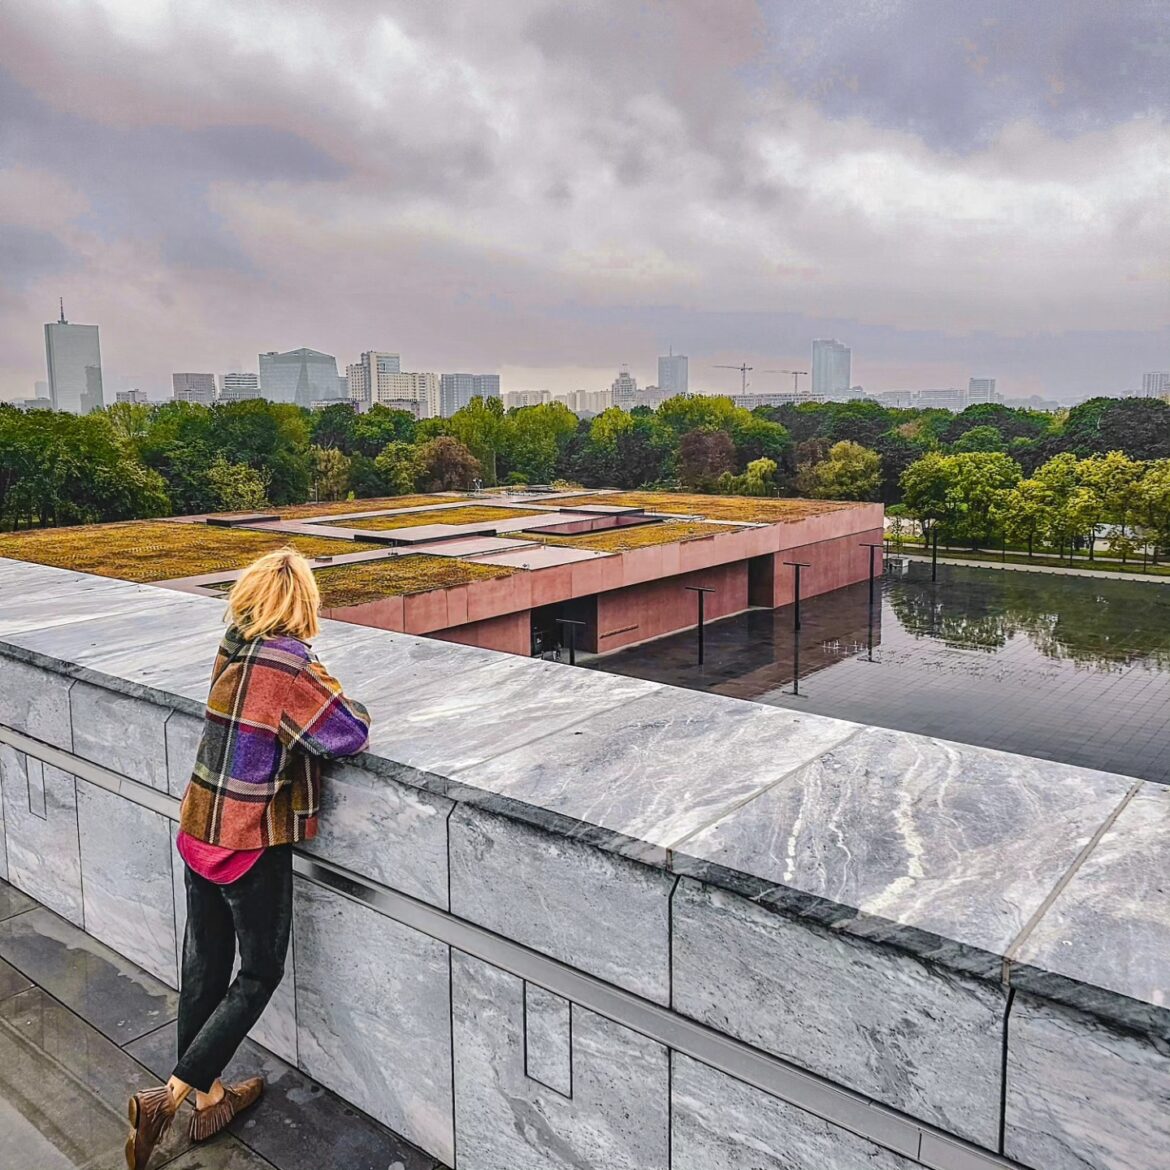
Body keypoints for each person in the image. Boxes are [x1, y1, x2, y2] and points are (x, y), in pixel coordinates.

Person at [126, 547, 370, 1170]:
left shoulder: (231, 647)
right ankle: (171, 1095)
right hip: (246, 842)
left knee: (203, 967)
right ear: (304, 603)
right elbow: (346, 731)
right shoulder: (290, 665)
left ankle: (210, 1097)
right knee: (259, 972)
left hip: (199, 825)